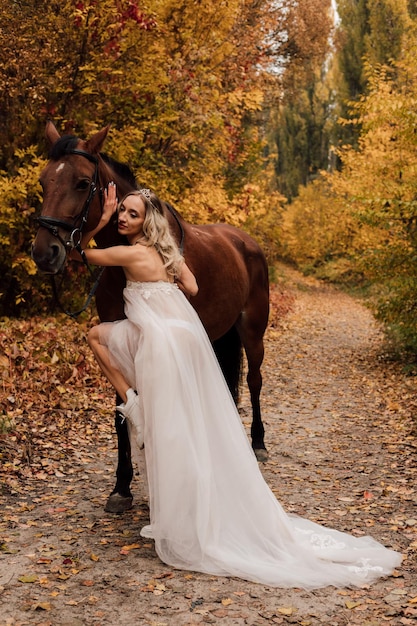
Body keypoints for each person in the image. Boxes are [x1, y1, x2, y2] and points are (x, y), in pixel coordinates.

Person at [72, 183, 402, 589]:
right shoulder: (167, 253)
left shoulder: (131, 252)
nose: (123, 217)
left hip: (158, 341)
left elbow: (80, 253)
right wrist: (162, 294)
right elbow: (191, 289)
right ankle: (189, 494)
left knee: (99, 341)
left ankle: (132, 403)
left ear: (146, 222)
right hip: (181, 337)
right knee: (184, 423)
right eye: (121, 211)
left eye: (131, 214)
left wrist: (100, 221)